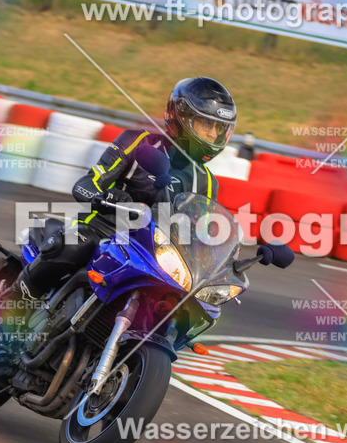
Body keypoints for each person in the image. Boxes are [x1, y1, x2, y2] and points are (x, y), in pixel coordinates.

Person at [15, 76, 237, 299]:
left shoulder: (207, 182)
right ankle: (16, 298)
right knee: (73, 246)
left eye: (219, 128)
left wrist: (227, 262)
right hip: (101, 232)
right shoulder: (137, 141)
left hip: (151, 254)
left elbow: (202, 239)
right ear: (182, 116)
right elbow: (85, 184)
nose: (213, 134)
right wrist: (105, 197)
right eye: (207, 124)